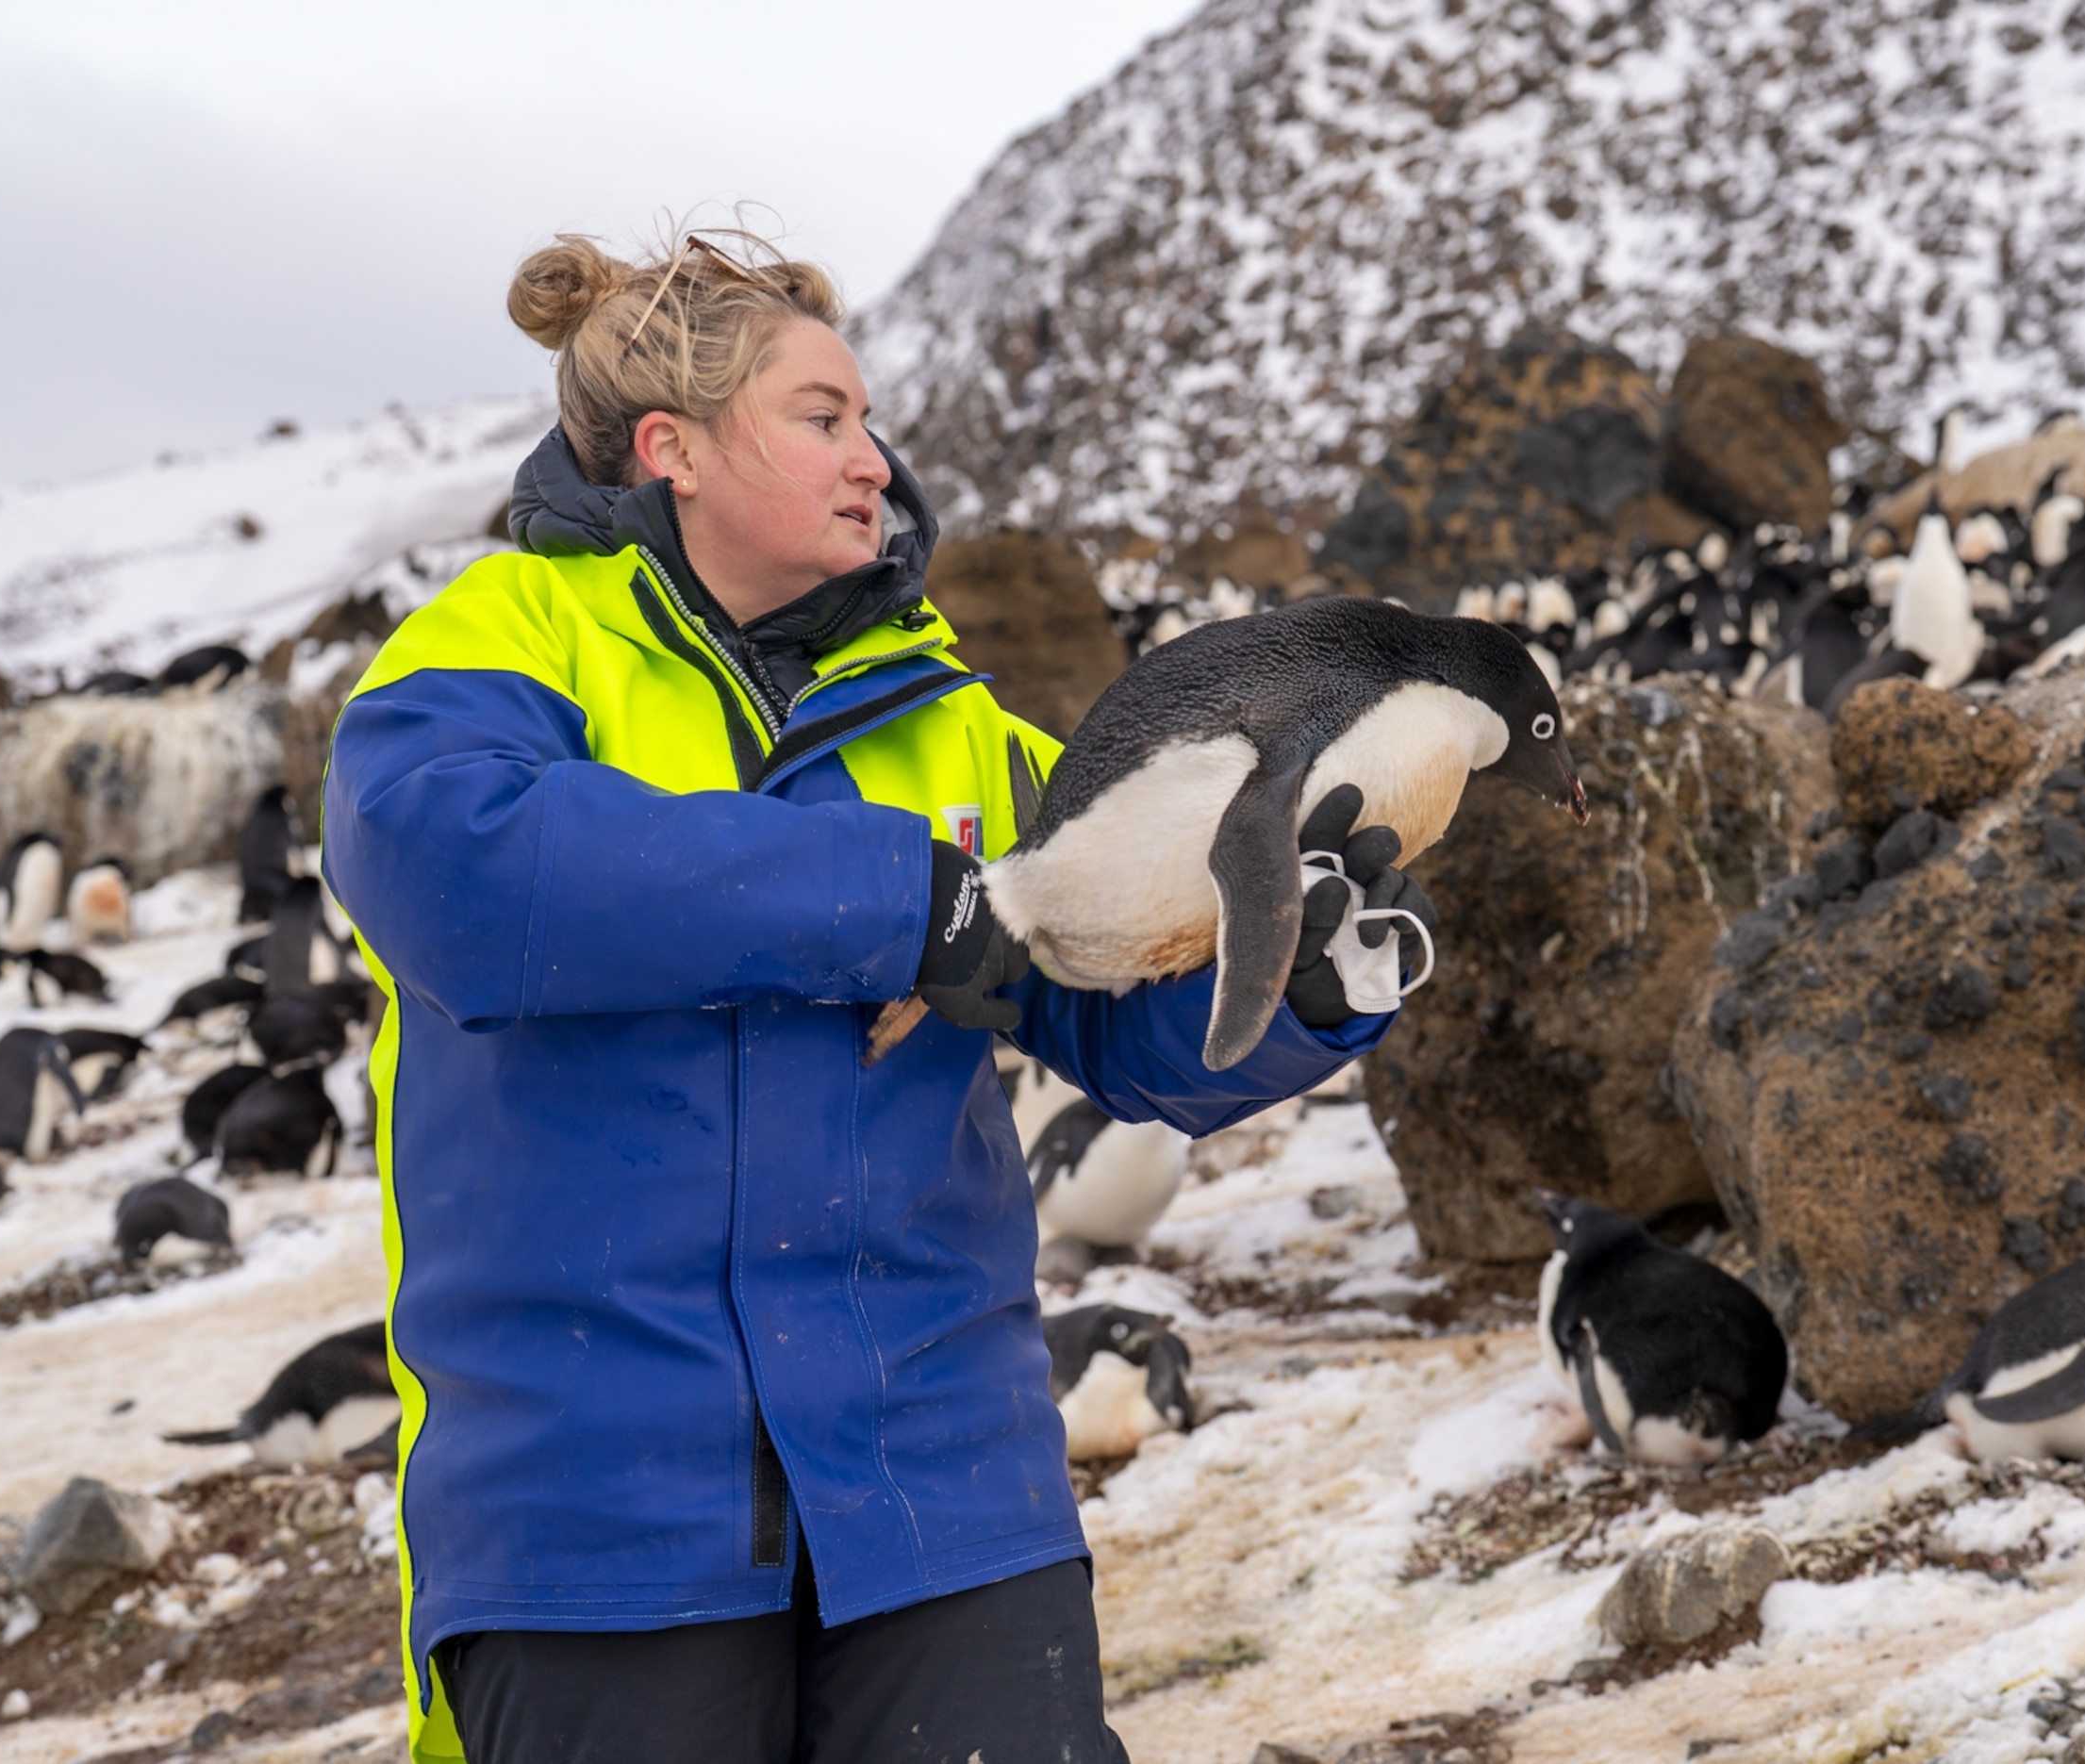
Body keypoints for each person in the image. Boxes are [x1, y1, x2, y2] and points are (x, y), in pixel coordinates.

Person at [322, 228, 1425, 1764]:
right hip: (597, 1510)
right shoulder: (508, 642)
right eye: (824, 417)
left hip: (941, 1492)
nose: (875, 459)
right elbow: (458, 873)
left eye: (870, 421)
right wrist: (898, 901)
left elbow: (1114, 1009)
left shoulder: (958, 728)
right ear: (676, 449)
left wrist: (1299, 967)